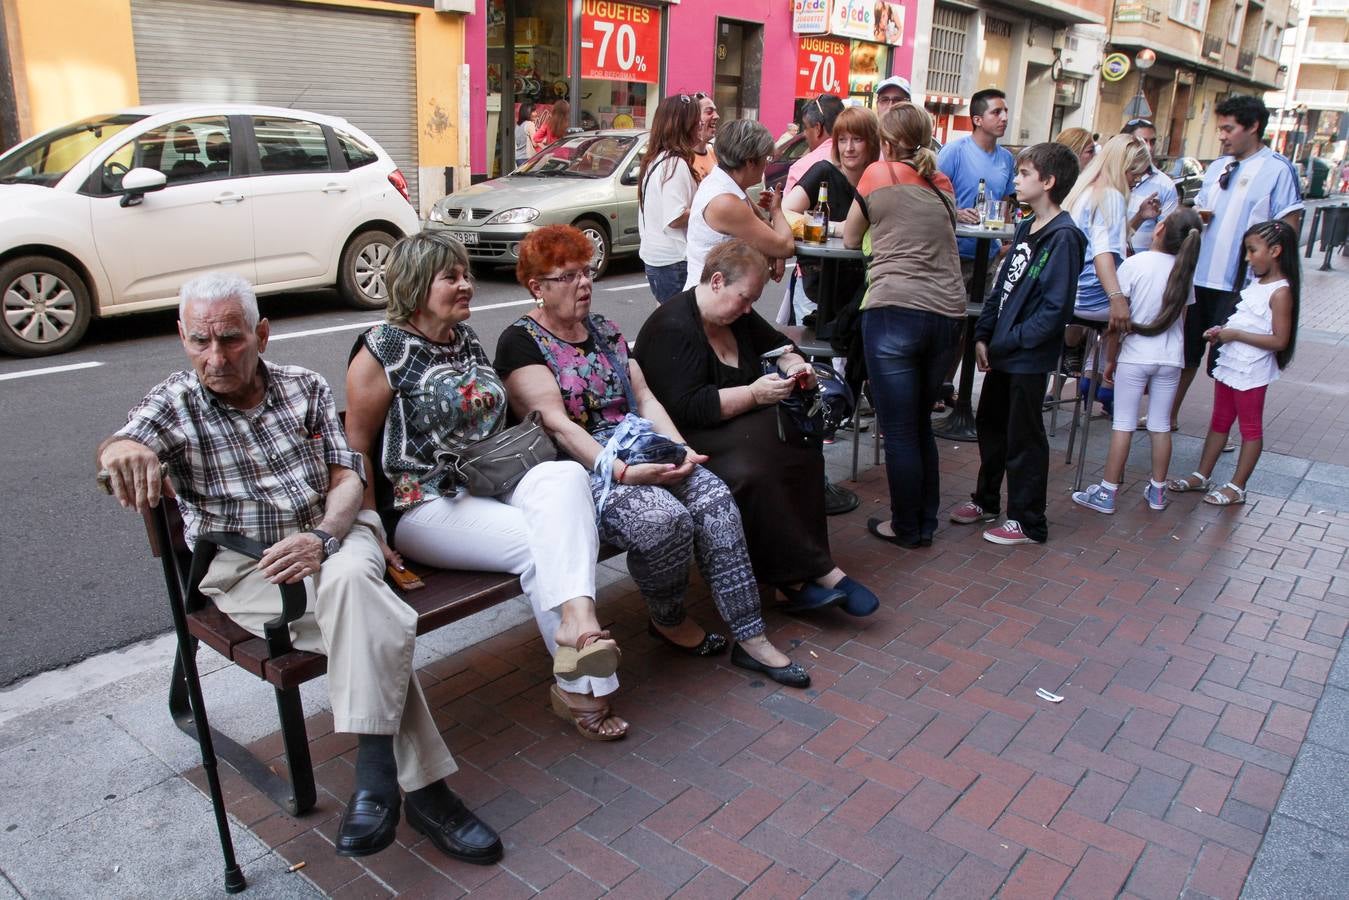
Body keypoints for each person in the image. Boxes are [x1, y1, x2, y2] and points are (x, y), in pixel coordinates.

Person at [96, 272, 503, 864]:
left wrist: (324, 535)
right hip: (251, 568)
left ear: (262, 333)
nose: (216, 357)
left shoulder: (302, 386)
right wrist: (119, 452)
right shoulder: (175, 403)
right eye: (200, 342)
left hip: (335, 535)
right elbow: (120, 446)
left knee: (352, 595)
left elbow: (346, 477)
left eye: (232, 339)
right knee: (371, 621)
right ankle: (422, 792)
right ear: (182, 337)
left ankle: (380, 778)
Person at [495, 225, 811, 689]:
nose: (584, 283)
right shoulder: (521, 341)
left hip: (642, 443)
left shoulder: (603, 329)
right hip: (584, 470)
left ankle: (752, 638)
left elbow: (645, 401)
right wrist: (621, 471)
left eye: (586, 272)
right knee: (664, 521)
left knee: (716, 500)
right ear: (537, 287)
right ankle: (666, 617)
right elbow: (557, 426)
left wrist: (681, 448)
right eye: (568, 276)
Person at [344, 231, 626, 742]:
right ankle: (586, 688)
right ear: (414, 284)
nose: (466, 285)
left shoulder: (464, 339)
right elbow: (356, 445)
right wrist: (369, 528)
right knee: (542, 546)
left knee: (565, 477)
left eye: (465, 274)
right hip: (422, 504)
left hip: (491, 480)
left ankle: (576, 625)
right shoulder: (381, 349)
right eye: (451, 277)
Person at [634, 239, 879, 615]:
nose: (749, 309)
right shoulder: (673, 326)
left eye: (752, 301)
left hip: (734, 425)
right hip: (686, 435)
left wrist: (794, 365)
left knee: (802, 451)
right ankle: (801, 577)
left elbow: (779, 345)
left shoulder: (738, 315)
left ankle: (808, 571)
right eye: (744, 299)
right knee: (755, 470)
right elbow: (687, 407)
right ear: (716, 282)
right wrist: (753, 394)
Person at [949, 143, 1085, 544]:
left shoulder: (1064, 237)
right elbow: (1001, 288)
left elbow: (1055, 308)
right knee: (991, 424)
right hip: (1006, 352)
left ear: (1048, 181)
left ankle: (1027, 520)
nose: (1015, 181)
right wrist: (984, 334)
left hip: (1027, 357)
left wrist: (1009, 342)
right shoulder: (1027, 225)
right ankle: (987, 499)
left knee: (1023, 435)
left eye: (1024, 174)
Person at [842, 102, 965, 548]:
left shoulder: (880, 173)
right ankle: (924, 523)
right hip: (949, 317)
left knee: (897, 431)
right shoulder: (942, 182)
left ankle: (906, 527)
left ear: (887, 141)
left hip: (895, 309)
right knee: (918, 426)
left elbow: (851, 237)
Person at [1171, 95, 1303, 427]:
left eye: (1229, 128)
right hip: (1200, 278)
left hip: (1240, 285)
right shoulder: (1217, 167)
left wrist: (1269, 283)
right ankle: (1166, 416)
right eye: (1221, 129)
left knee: (1228, 359)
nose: (1222, 136)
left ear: (1253, 126)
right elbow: (1199, 212)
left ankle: (1224, 428)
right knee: (1184, 354)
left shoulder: (1277, 170)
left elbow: (1288, 228)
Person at [1072, 208, 1203, 515]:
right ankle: (1157, 492)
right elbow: (1182, 319)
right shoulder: (1184, 273)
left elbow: (1118, 320)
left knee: (1123, 425)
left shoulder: (1135, 264)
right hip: (1170, 358)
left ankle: (1108, 491)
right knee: (1160, 426)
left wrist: (1111, 359)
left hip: (1135, 354)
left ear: (1159, 228)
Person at [1167, 220, 1300, 507]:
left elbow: (1279, 340)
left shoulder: (1281, 291)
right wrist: (1222, 331)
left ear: (1275, 251)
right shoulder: (1258, 283)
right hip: (1233, 363)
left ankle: (1238, 486)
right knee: (1220, 420)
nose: (1247, 257)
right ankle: (1202, 474)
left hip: (1252, 369)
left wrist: (1236, 334)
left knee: (1250, 427)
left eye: (1252, 250)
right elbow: (1248, 319)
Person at [937, 88, 1017, 408]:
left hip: (988, 255)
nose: (1004, 118)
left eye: (1005, 111)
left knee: (973, 326)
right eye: (997, 112)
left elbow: (1007, 202)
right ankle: (936, 387)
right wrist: (956, 211)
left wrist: (1006, 242)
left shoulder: (1007, 159)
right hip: (952, 252)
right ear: (977, 119)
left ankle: (948, 386)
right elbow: (934, 192)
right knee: (947, 324)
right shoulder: (954, 151)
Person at [783, 106, 881, 341]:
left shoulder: (879, 178)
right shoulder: (823, 172)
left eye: (857, 139)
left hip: (863, 286)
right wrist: (834, 228)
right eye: (843, 140)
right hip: (820, 284)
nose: (848, 148)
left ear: (872, 143)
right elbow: (785, 211)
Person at [684, 119, 795, 289]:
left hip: (719, 295)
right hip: (712, 302)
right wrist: (777, 210)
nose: (767, 163)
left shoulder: (725, 183)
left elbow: (764, 227)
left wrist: (774, 251)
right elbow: (785, 246)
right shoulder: (726, 202)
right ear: (750, 162)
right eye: (766, 157)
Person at [1063, 134, 1152, 329]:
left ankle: (1077, 353)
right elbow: (1102, 253)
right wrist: (1116, 298)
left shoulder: (1083, 189)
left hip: (1069, 290)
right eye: (1134, 172)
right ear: (1121, 167)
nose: (1137, 180)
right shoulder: (1110, 197)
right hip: (1091, 297)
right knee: (1151, 304)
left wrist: (1139, 217)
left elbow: (1099, 240)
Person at [638, 94, 705, 302]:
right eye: (695, 120)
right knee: (684, 328)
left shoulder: (657, 160)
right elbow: (675, 217)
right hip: (674, 262)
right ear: (683, 126)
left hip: (659, 261)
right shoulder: (674, 164)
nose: (699, 124)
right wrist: (708, 208)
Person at [1121, 118, 1179, 256]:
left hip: (1140, 268)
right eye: (1142, 141)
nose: (1149, 148)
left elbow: (1166, 235)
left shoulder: (1165, 185)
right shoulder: (1109, 180)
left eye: (1152, 142)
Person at [784, 94, 845, 195]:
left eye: (806, 127)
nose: (804, 134)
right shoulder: (859, 160)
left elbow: (785, 210)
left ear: (818, 128)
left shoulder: (800, 168)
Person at [693, 92, 720, 180]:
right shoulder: (682, 160)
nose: (717, 116)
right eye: (709, 112)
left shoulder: (715, 154)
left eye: (715, 111)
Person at [515, 102, 537, 168]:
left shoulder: (518, 125)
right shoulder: (530, 124)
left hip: (519, 158)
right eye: (533, 111)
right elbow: (535, 143)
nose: (536, 114)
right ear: (527, 112)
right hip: (528, 158)